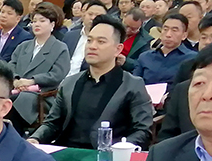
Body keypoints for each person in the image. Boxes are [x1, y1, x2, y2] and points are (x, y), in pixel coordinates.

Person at [28, 15, 153, 149]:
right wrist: (35, 138)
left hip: (108, 156)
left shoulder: (132, 85)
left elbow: (143, 131)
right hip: (67, 151)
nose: (92, 46)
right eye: (89, 40)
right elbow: (53, 123)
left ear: (118, 49)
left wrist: (120, 149)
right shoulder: (70, 83)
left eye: (101, 42)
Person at [5, 2, 71, 128]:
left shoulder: (60, 48)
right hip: (17, 90)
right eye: (34, 21)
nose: (37, 24)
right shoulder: (23, 46)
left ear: (52, 24)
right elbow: (11, 65)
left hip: (42, 96)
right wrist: (16, 80)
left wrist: (32, 81)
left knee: (18, 101)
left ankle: (14, 133)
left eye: (42, 21)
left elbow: (57, 75)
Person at [133, 13, 195, 85]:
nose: (168, 35)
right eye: (165, 29)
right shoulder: (145, 57)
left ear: (184, 35)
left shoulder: (192, 58)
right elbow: (135, 84)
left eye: (174, 30)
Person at [62, 0, 108, 77]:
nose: (93, 18)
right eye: (90, 14)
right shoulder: (70, 36)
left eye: (97, 15)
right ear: (83, 15)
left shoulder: (106, 41)